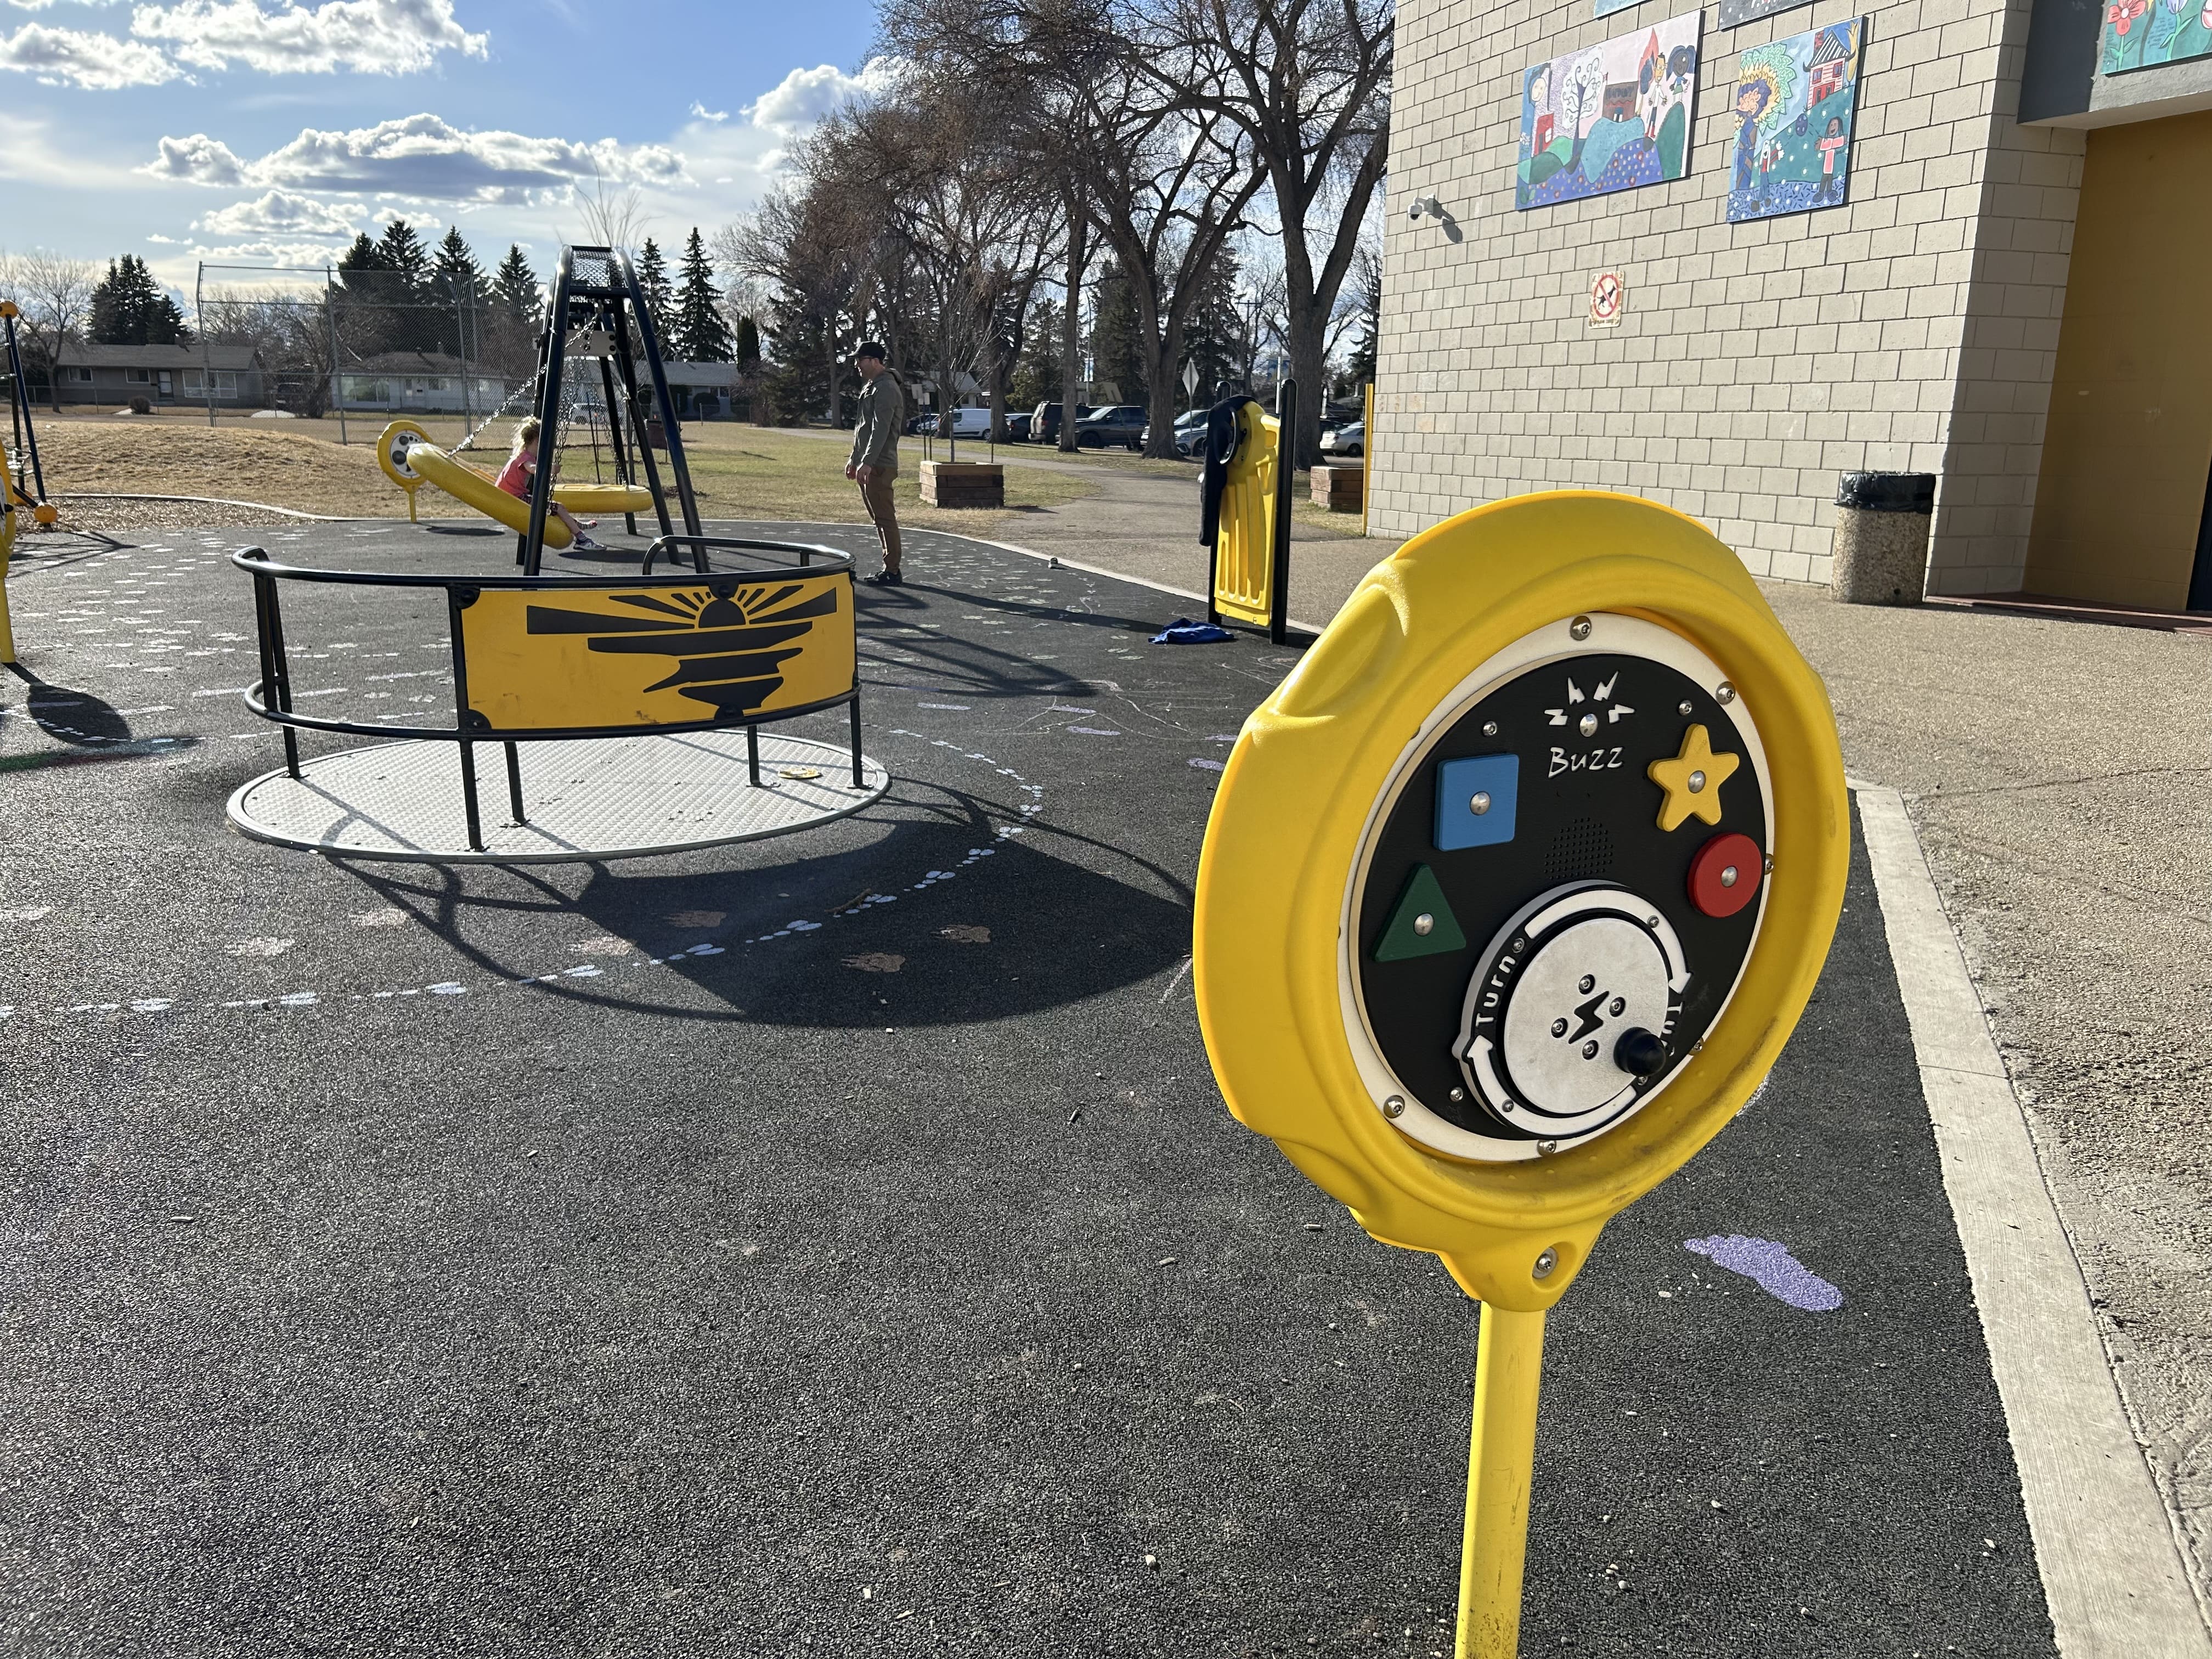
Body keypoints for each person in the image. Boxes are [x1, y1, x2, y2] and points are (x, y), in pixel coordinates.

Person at [845, 342, 906, 585]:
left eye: (860, 360)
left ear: (875, 361)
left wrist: (868, 462)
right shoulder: (871, 387)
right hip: (869, 463)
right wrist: (855, 458)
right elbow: (863, 429)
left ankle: (892, 570)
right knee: (879, 517)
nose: (856, 365)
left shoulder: (887, 388)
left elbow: (880, 430)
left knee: (885, 518)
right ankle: (889, 567)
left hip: (880, 464)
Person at [495, 418, 604, 550]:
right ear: (537, 440)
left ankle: (576, 526)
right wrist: (550, 469)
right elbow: (533, 468)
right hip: (514, 498)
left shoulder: (523, 454)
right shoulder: (525, 458)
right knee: (557, 508)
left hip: (513, 496)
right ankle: (582, 539)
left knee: (557, 508)